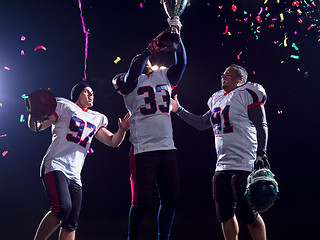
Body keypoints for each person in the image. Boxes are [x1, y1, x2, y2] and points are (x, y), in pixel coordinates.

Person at [171, 64, 269, 240]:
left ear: (241, 80)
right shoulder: (217, 98)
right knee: (224, 214)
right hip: (222, 164)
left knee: (249, 213)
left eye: (229, 74)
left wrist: (261, 153)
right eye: (223, 73)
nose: (224, 76)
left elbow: (262, 124)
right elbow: (202, 123)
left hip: (244, 160)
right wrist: (179, 110)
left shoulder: (248, 93)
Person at [111, 21, 187, 240]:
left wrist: (177, 36)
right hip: (143, 149)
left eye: (145, 59)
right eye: (138, 60)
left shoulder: (164, 76)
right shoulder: (127, 82)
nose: (142, 61)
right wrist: (148, 49)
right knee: (141, 202)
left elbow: (181, 62)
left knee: (171, 199)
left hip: (167, 146)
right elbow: (131, 74)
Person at [27, 82, 130, 240]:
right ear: (77, 94)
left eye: (92, 93)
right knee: (62, 208)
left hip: (75, 174)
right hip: (56, 164)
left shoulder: (97, 118)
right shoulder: (63, 106)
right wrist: (33, 114)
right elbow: (37, 127)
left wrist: (122, 130)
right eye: (86, 91)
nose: (91, 95)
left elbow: (113, 142)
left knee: (71, 222)